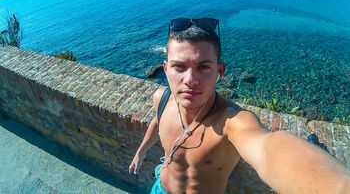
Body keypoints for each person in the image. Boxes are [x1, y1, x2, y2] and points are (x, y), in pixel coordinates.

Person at [129, 18, 350, 194]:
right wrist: (141, 152)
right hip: (161, 189)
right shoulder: (162, 98)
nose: (190, 80)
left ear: (220, 71)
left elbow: (266, 149)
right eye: (179, 67)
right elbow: (158, 122)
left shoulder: (232, 121)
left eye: (203, 67)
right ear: (165, 68)